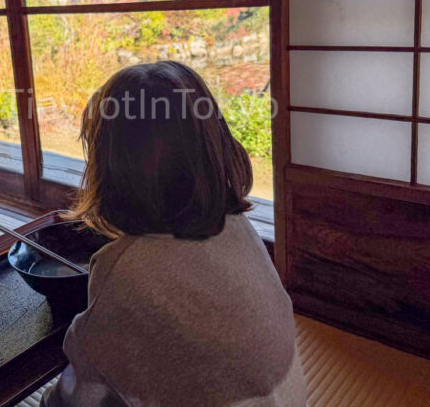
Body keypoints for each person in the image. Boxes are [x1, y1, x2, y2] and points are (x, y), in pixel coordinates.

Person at [40, 61, 307, 407]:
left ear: (110, 172)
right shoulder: (236, 228)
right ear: (214, 145)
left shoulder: (123, 269)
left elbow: (82, 384)